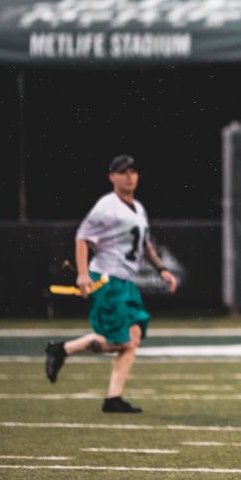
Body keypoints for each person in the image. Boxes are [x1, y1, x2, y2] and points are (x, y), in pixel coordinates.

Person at [43, 154, 178, 413]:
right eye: (123, 172)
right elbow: (82, 238)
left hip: (126, 282)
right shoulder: (106, 206)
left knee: (134, 336)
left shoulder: (138, 207)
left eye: (133, 171)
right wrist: (82, 275)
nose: (130, 176)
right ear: (112, 177)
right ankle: (62, 349)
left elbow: (145, 244)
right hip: (106, 279)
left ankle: (113, 398)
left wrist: (161, 268)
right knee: (120, 341)